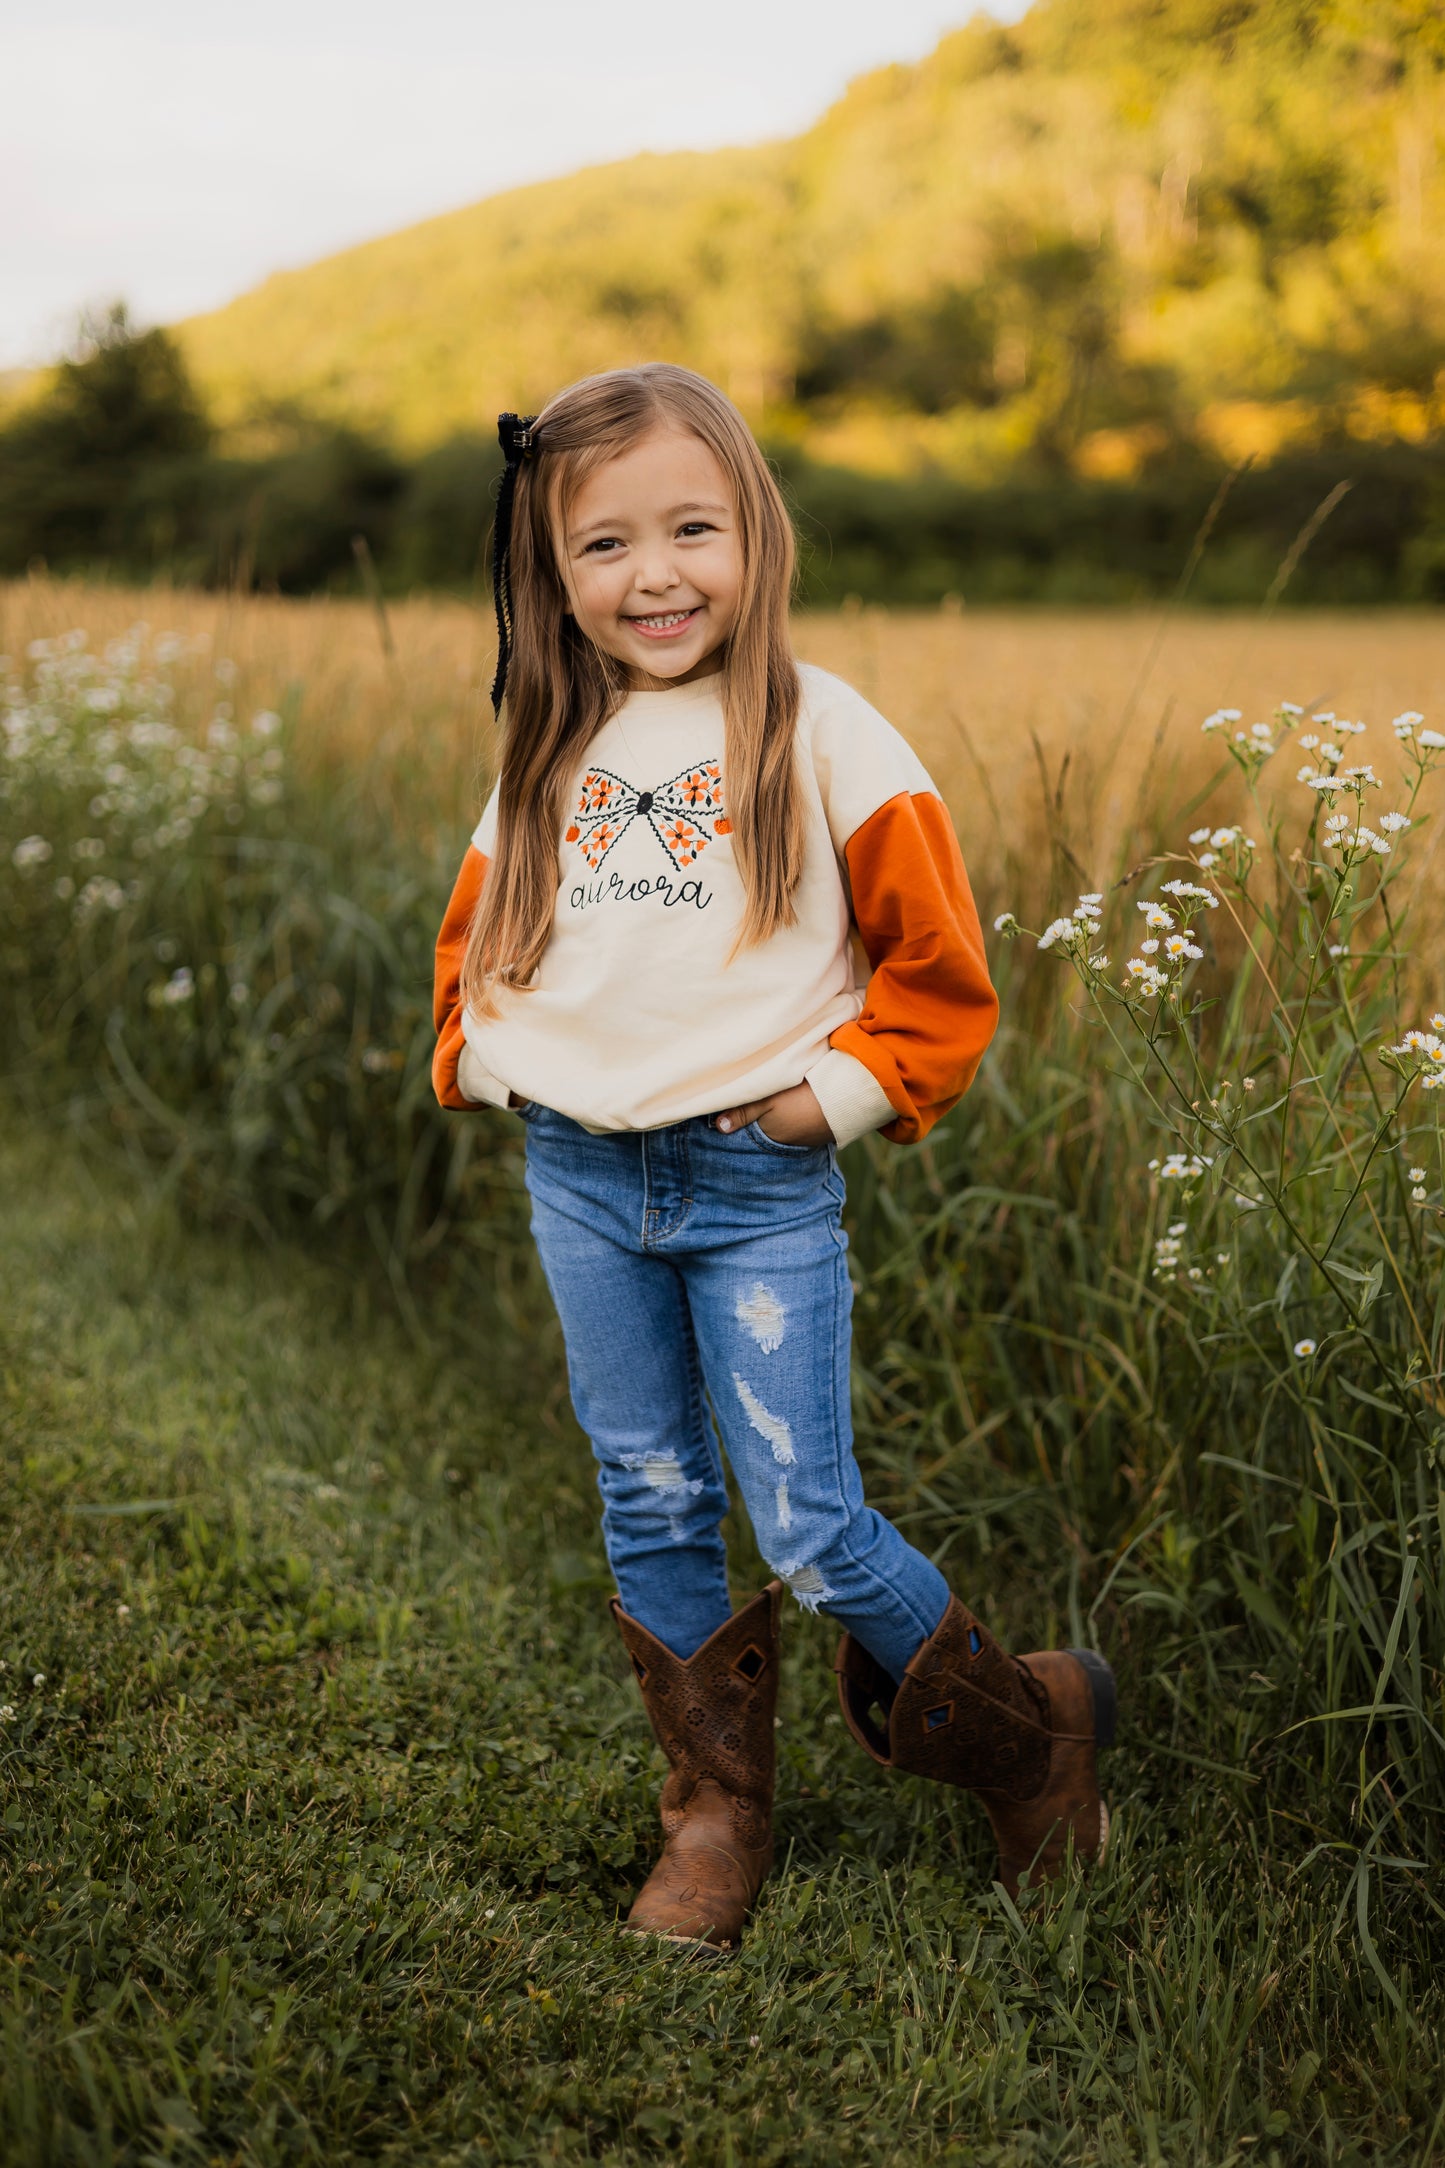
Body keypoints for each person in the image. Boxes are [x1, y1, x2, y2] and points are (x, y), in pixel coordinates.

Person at [432, 364, 1114, 1951]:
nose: (650, 573)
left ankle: (1029, 1743)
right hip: (582, 1180)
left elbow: (936, 964)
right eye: (601, 546)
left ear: (756, 533)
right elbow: (486, 923)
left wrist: (842, 1096)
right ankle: (716, 1815)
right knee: (650, 1493)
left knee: (805, 1519)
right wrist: (475, 1053)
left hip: (752, 1184)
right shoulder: (557, 738)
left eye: (690, 528)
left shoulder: (825, 729)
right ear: (552, 571)